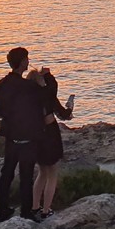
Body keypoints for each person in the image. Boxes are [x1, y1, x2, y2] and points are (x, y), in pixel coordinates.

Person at [0, 46, 47, 223]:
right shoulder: (29, 87)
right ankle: (26, 212)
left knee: (6, 173)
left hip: (11, 136)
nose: (28, 61)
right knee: (26, 176)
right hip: (27, 137)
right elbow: (43, 103)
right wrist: (42, 84)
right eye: (27, 58)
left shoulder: (0, 84)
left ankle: (2, 209)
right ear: (23, 61)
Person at [30, 65, 74, 220]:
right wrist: (48, 74)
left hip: (36, 135)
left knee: (42, 172)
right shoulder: (46, 94)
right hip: (50, 133)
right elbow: (63, 114)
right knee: (52, 173)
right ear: (40, 81)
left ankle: (35, 207)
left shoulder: (28, 98)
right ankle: (46, 210)